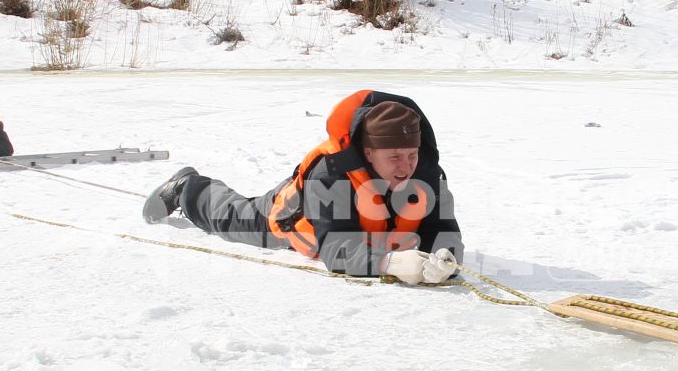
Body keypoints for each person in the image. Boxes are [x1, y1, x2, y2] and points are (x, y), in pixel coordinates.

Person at [141, 89, 463, 284]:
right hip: (290, 217)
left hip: (366, 234)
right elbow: (337, 248)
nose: (407, 166)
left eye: (411, 154)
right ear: (368, 153)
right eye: (394, 157)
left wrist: (444, 259)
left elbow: (445, 231)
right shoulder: (332, 173)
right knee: (233, 217)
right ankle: (188, 187)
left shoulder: (427, 175)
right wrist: (389, 263)